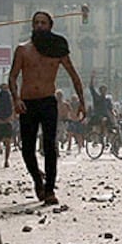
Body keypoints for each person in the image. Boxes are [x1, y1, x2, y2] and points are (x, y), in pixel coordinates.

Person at [8, 11, 86, 205]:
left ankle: (50, 189)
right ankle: (37, 179)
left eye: (43, 22)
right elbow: (12, 76)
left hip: (48, 102)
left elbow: (74, 76)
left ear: (50, 26)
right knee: (27, 148)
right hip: (27, 103)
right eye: (36, 22)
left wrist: (83, 102)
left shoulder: (57, 48)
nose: (40, 26)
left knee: (50, 146)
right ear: (32, 26)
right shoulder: (23, 49)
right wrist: (16, 99)